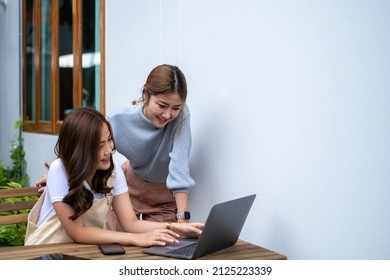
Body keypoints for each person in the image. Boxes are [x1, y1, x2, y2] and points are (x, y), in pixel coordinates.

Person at [36, 64, 195, 225]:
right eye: (161, 105)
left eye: (175, 107)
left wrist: (182, 219)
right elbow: (87, 146)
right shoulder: (119, 120)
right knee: (116, 245)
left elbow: (179, 165)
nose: (168, 114)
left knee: (165, 243)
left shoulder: (181, 116)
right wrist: (59, 174)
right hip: (127, 188)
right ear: (146, 94)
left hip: (162, 196)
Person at [25, 107, 203, 246]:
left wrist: (175, 227)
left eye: (109, 139)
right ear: (80, 150)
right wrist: (135, 239)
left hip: (82, 253)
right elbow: (78, 232)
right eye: (100, 145)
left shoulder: (112, 170)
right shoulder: (59, 170)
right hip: (46, 254)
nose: (109, 150)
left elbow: (131, 223)